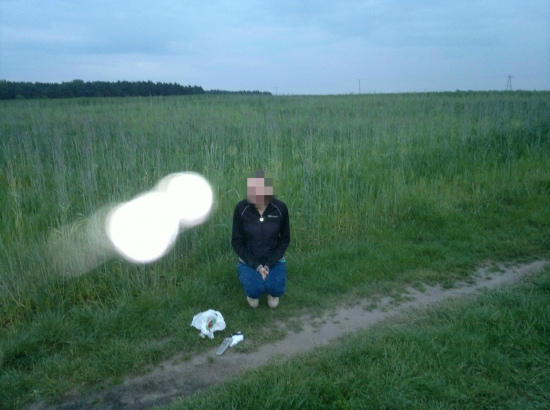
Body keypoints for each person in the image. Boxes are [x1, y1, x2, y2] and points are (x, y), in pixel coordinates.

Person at [232, 170, 290, 308]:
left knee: (275, 292)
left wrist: (269, 265)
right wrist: (257, 266)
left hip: (274, 260)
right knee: (255, 292)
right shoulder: (241, 208)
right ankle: (253, 288)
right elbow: (237, 242)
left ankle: (272, 291)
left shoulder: (280, 208)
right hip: (249, 260)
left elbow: (285, 239)